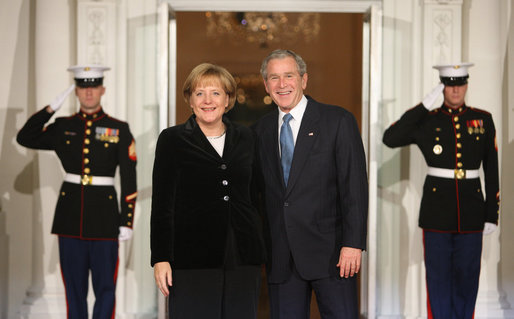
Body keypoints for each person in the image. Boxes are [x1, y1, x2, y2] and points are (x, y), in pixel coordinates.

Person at [252, 49, 368, 319]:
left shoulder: (338, 121)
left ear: (304, 79)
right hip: (281, 257)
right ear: (266, 85)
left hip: (333, 256)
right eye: (274, 78)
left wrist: (353, 243)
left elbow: (354, 188)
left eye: (289, 76)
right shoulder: (259, 131)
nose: (282, 85)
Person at [16, 64, 137, 319]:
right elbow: (25, 137)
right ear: (76, 92)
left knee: (106, 288)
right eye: (83, 87)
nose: (89, 92)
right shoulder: (62, 126)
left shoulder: (119, 129)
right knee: (74, 290)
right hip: (70, 220)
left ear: (102, 89)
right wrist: (50, 109)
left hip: (106, 221)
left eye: (93, 87)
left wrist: (127, 221)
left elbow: (129, 177)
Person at [383, 63, 500, 318]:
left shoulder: (482, 119)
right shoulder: (428, 120)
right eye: (449, 85)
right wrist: (424, 106)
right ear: (442, 87)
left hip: (472, 212)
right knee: (437, 280)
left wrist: (492, 214)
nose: (455, 90)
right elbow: (390, 138)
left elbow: (491, 170)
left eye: (459, 84)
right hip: (436, 213)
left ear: (467, 85)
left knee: (468, 280)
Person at [150, 63, 266, 319]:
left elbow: (258, 196)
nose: (207, 100)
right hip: (191, 258)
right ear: (189, 100)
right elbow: (162, 205)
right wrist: (160, 258)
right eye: (200, 93)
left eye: (216, 93)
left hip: (243, 257)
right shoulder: (172, 140)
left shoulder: (247, 138)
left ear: (228, 99)